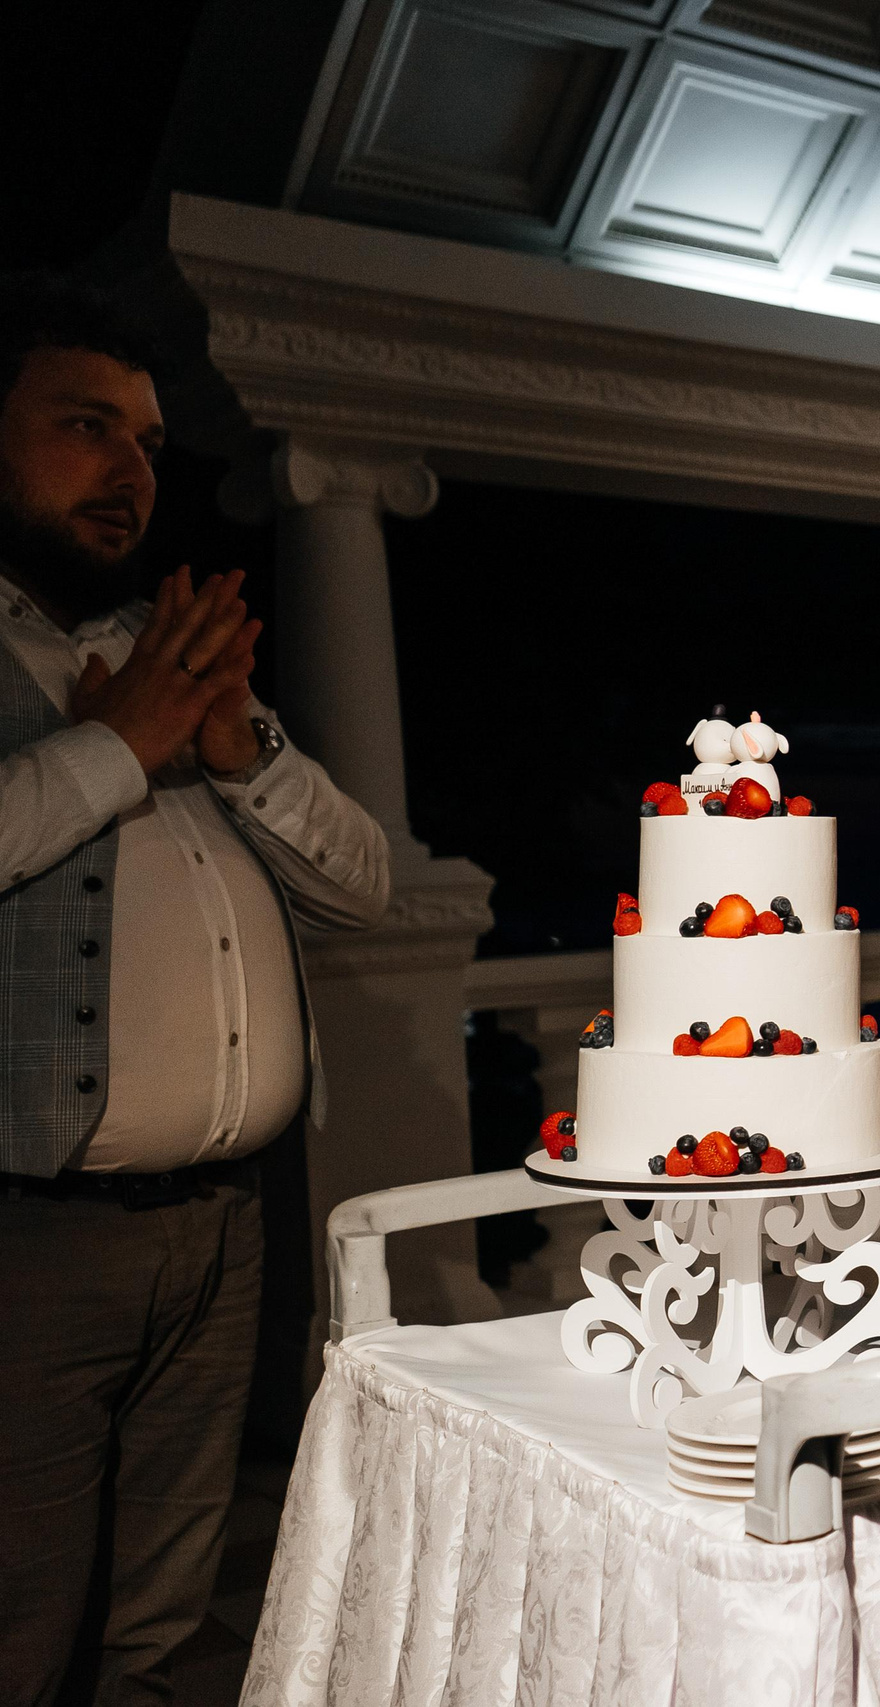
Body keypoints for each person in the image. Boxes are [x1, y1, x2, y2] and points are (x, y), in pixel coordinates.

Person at [0, 275, 392, 1706]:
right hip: (35, 1236)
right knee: (21, 1622)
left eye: (150, 441)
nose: (128, 469)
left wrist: (238, 751)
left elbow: (362, 884)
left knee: (160, 1632)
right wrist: (121, 747)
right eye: (83, 424)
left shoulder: (164, 655)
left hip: (229, 1228)